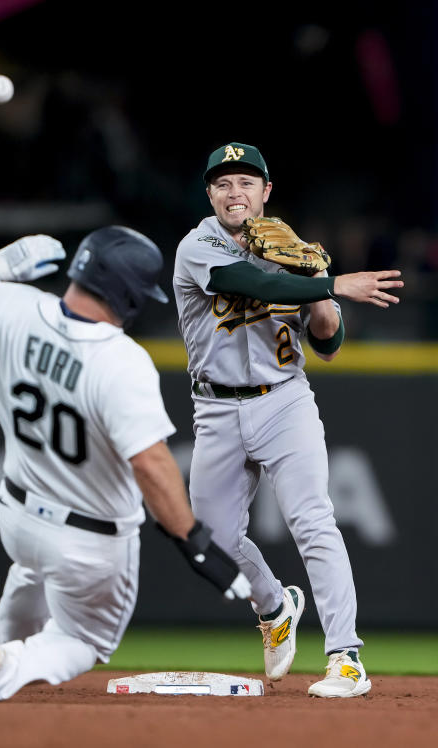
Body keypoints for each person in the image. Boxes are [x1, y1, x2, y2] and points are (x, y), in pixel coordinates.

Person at [0, 226, 251, 701]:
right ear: (127, 295)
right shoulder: (120, 360)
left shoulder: (10, 307)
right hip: (90, 541)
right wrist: (194, 542)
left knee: (31, 571)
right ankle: (4, 664)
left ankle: (0, 654)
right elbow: (150, 464)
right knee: (84, 640)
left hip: (18, 514)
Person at [173, 142, 404, 698]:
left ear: (265, 192)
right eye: (223, 184)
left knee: (312, 519)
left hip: (284, 400)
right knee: (213, 540)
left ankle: (346, 658)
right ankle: (275, 605)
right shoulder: (197, 246)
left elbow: (328, 342)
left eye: (246, 183)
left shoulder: (290, 247)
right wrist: (331, 283)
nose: (235, 193)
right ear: (210, 195)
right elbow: (253, 285)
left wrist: (322, 296)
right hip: (216, 407)